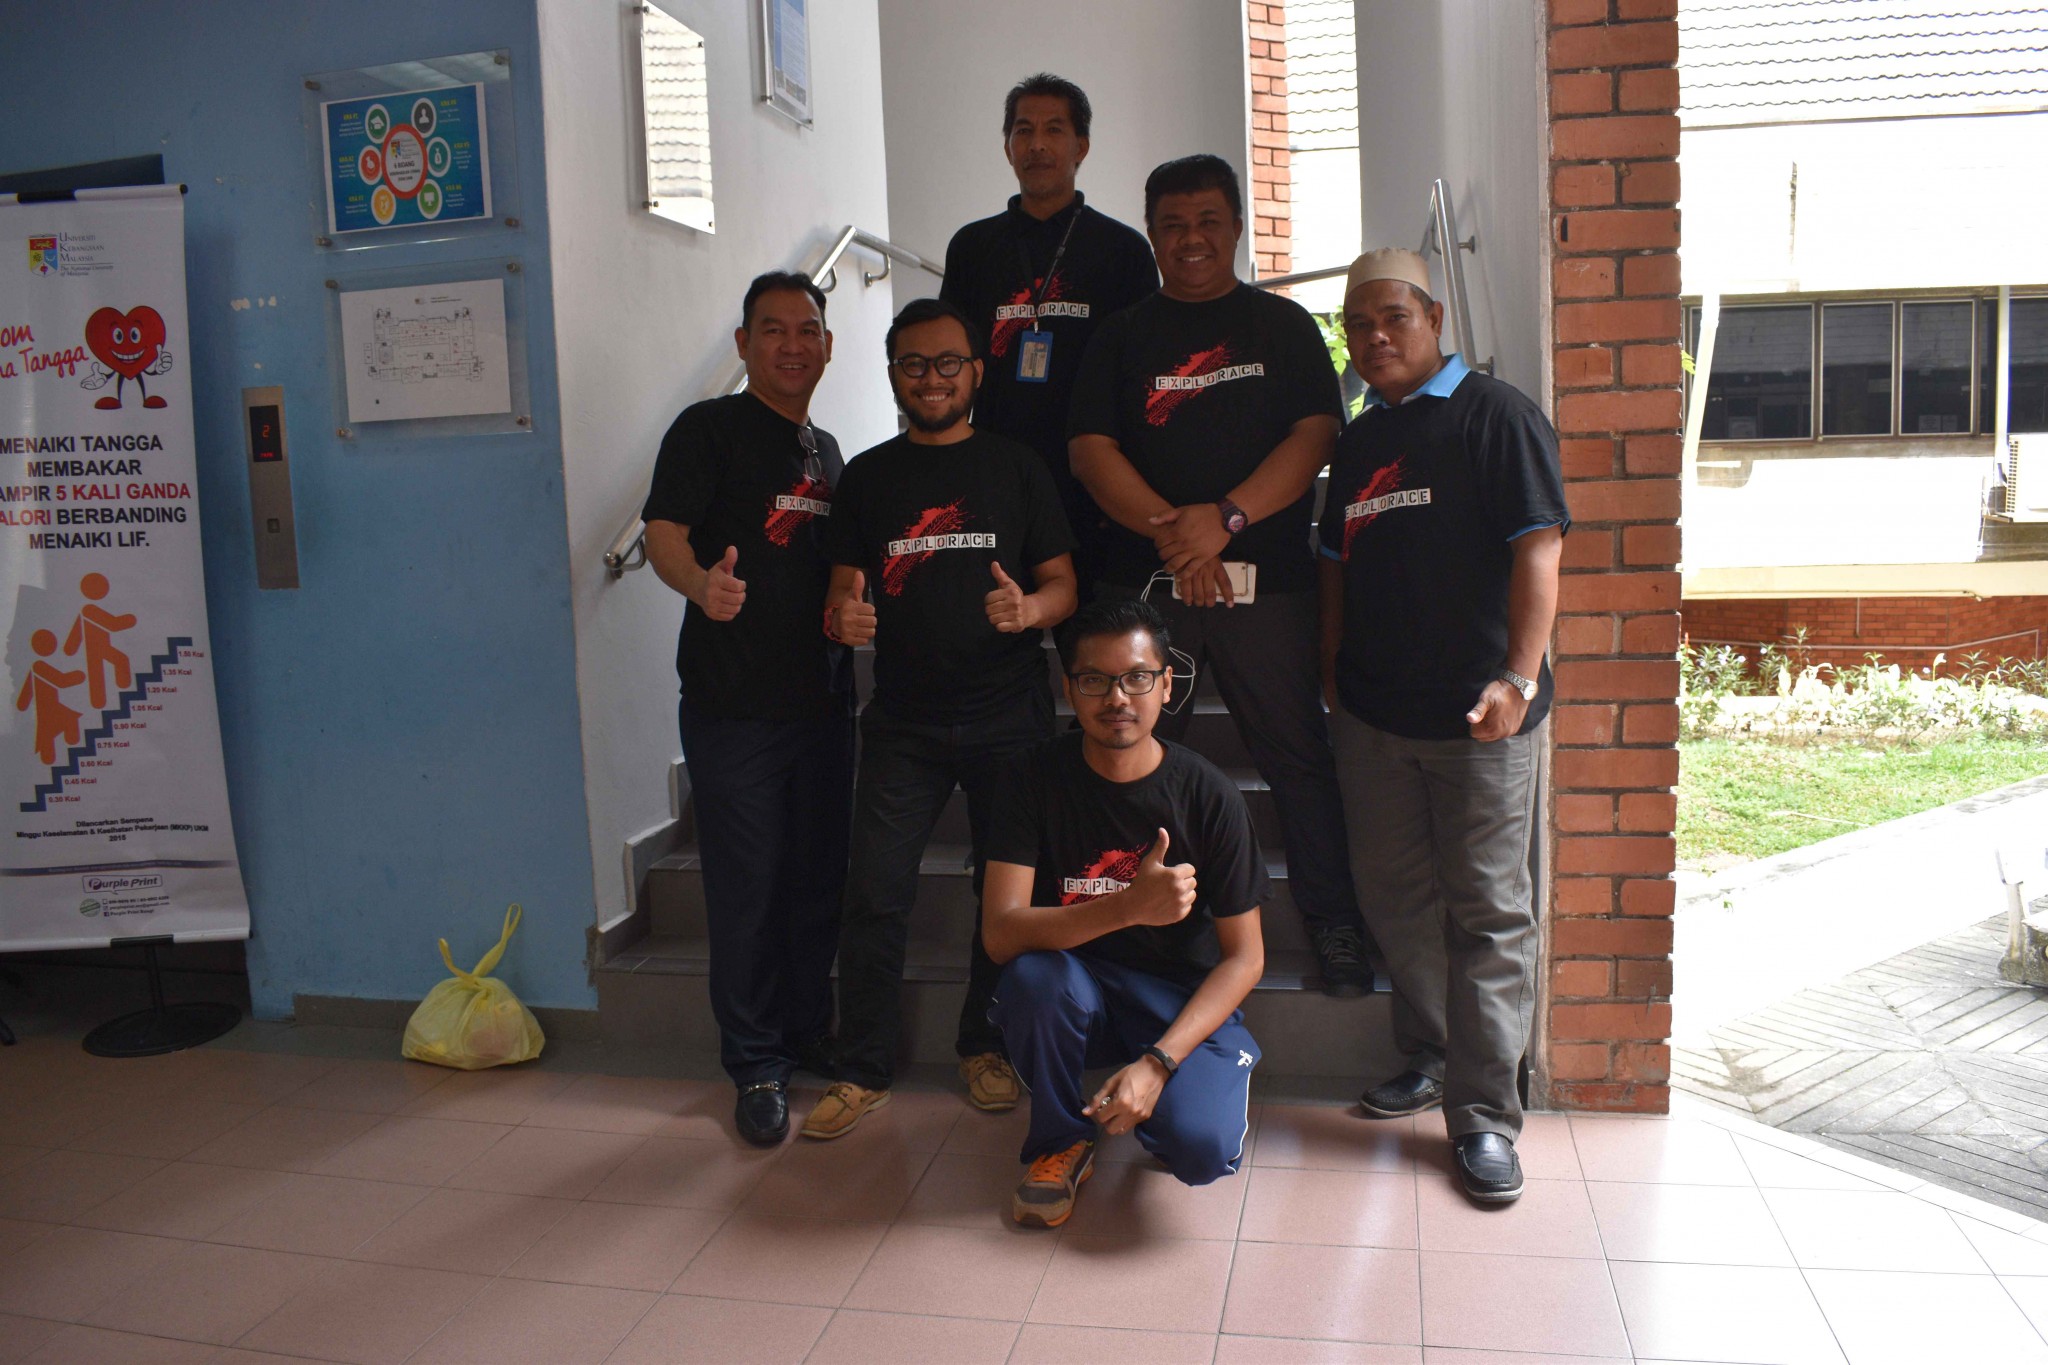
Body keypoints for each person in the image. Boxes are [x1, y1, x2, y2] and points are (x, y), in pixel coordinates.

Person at [1067, 153, 1372, 998]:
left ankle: (1334, 925)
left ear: (1237, 225)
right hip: (1147, 594)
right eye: (1171, 224)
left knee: (1298, 759)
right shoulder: (1121, 335)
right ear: (1151, 234)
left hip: (1267, 589)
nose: (1190, 238)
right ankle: (1139, 935)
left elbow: (1316, 435)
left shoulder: (1282, 326)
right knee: (1131, 760)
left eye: (1207, 220)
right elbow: (1091, 452)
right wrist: (1182, 539)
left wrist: (1226, 519)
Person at [1318, 248, 1569, 1203]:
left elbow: (1539, 549)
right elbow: (1336, 564)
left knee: (1490, 910)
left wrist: (1518, 676)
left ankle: (1486, 1115)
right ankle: (1430, 1053)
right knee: (1395, 899)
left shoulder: (1496, 415)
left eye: (1395, 317)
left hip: (1481, 718)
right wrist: (1332, 673)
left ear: (1433, 317)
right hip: (1375, 716)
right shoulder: (1358, 442)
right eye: (1359, 323)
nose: (1376, 336)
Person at [801, 297, 1079, 1139]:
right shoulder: (868, 478)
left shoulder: (1017, 467)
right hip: (904, 723)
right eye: (913, 364)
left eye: (948, 362)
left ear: (977, 372)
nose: (931, 378)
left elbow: (1063, 585)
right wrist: (842, 619)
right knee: (875, 891)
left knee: (1007, 892)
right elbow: (840, 592)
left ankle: (983, 1044)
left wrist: (1030, 611)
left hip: (1009, 716)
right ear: (893, 375)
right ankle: (862, 1065)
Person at [639, 270, 854, 1147]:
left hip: (823, 707)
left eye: (807, 330)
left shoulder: (827, 451)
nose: (791, 345)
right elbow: (662, 532)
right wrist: (701, 586)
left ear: (828, 346)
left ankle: (804, 1030)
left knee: (815, 882)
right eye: (773, 329)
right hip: (734, 711)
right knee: (747, 890)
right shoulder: (708, 428)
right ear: (743, 343)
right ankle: (757, 1062)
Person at [983, 598, 1266, 1227]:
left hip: (1176, 999)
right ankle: (1060, 1140)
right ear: (1069, 688)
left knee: (1199, 1149)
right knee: (1032, 977)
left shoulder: (1208, 795)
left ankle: (1172, 1093)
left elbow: (1246, 958)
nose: (1117, 698)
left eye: (1137, 677)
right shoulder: (1031, 779)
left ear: (1167, 685)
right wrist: (1129, 906)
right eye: (1095, 680)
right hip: (1077, 991)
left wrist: (1159, 1064)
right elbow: (1001, 935)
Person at [939, 73, 1157, 586]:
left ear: (1081, 146)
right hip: (997, 477)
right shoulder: (973, 248)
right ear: (1007, 147)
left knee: (1097, 624)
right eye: (1023, 130)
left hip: (1094, 483)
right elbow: (949, 364)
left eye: (1054, 130)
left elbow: (1142, 376)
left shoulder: (1123, 250)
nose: (1036, 145)